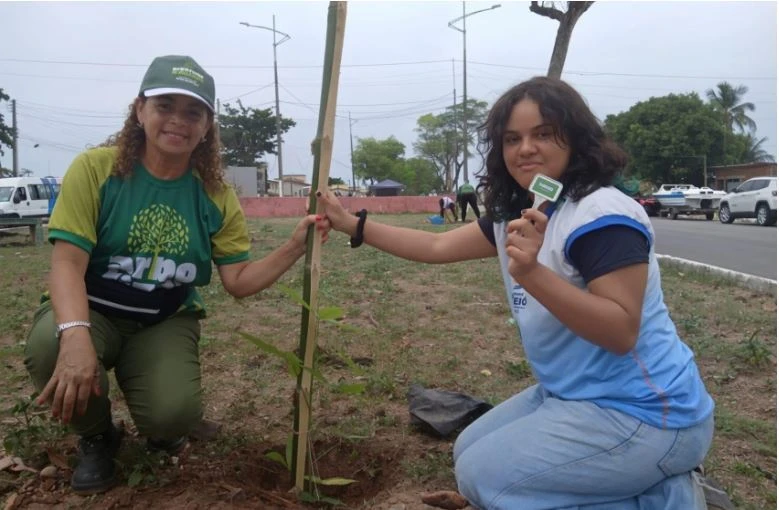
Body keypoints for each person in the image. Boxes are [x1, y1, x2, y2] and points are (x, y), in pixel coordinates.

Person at [317, 76, 714, 509]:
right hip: (574, 394)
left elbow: (620, 331)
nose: (525, 148)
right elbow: (435, 245)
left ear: (576, 138)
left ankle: (671, 496)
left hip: (648, 414)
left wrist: (532, 273)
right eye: (512, 138)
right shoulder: (522, 214)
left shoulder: (602, 215)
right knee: (467, 449)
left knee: (484, 478)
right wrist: (350, 224)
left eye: (543, 133)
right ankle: (646, 485)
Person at [24, 55, 330, 495]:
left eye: (193, 112)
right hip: (93, 311)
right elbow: (68, 263)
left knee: (172, 415)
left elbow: (239, 282)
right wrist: (76, 335)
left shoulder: (215, 195)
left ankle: (161, 417)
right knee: (49, 345)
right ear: (140, 110)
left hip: (163, 319)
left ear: (208, 125)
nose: (177, 121)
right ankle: (96, 436)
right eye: (164, 105)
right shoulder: (97, 170)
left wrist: (295, 245)